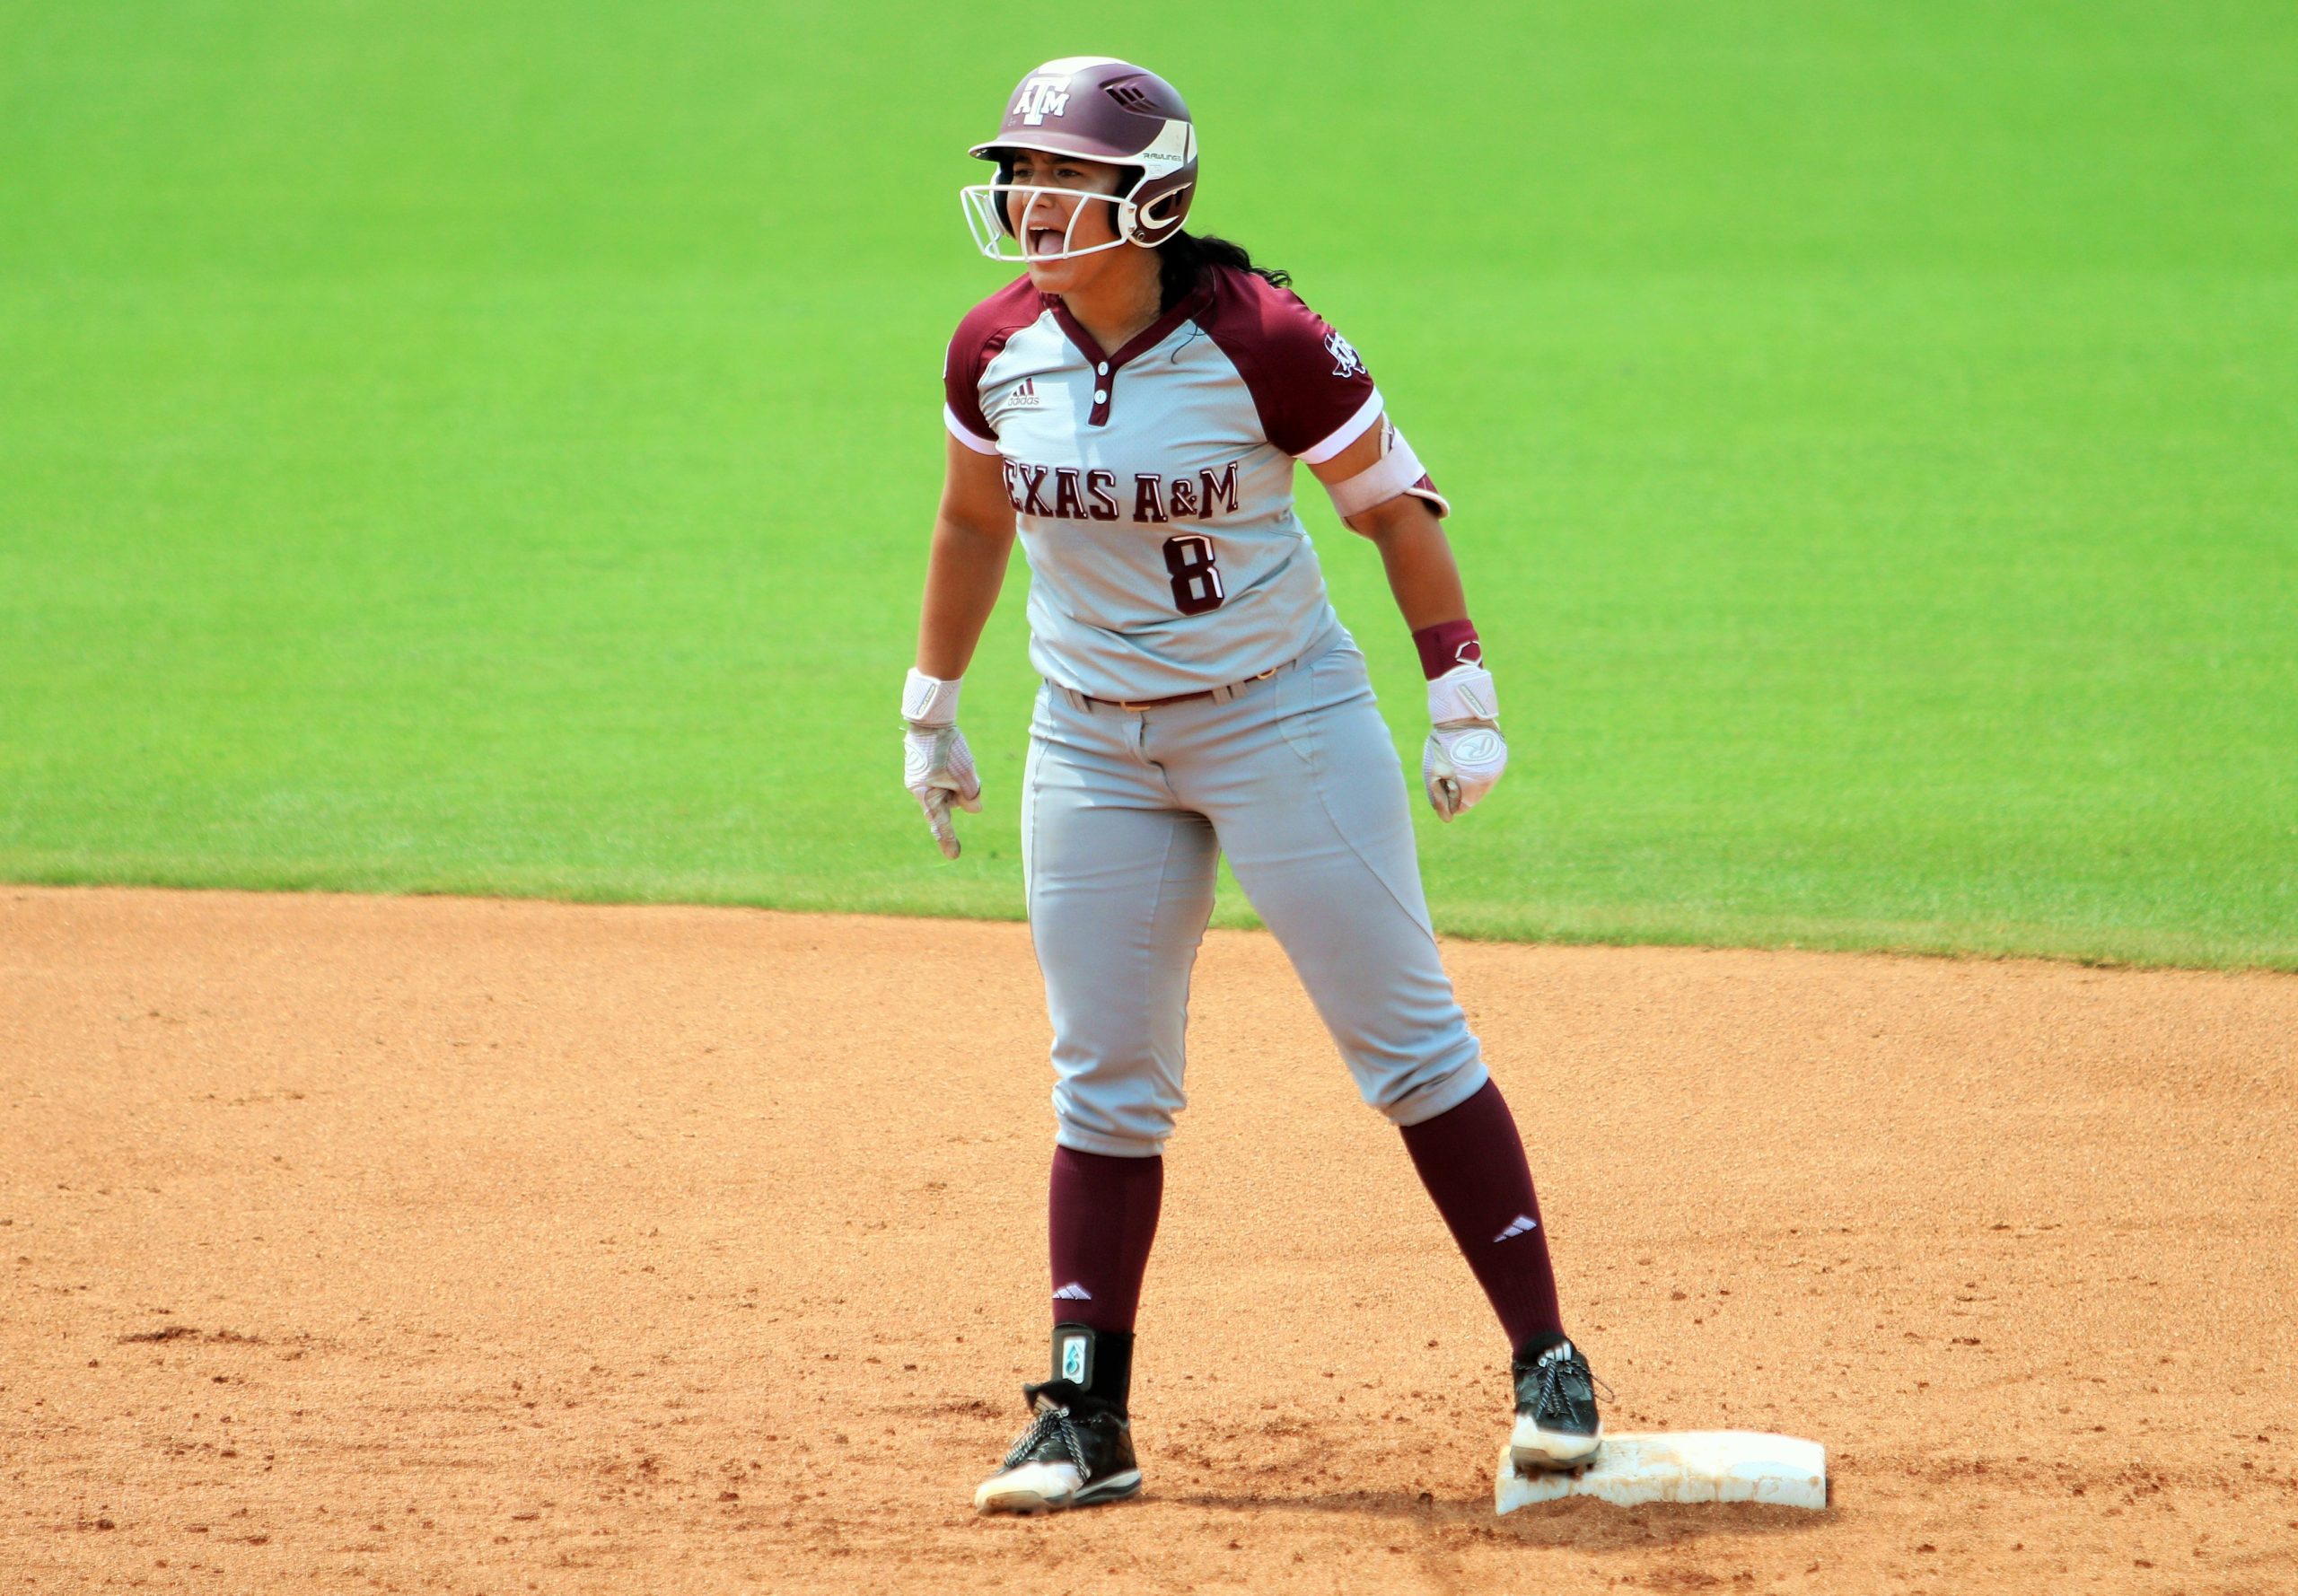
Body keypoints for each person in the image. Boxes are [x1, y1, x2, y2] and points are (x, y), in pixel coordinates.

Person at [904, 56, 1603, 1515]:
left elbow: (1395, 516)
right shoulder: (992, 349)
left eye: (1062, 177)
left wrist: (1460, 693)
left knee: (1408, 1042)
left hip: (1279, 719)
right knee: (1104, 1075)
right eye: (1020, 173)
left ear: (1148, 198)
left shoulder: (1264, 339)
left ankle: (1547, 1359)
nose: (1029, 200)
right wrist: (934, 699)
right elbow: (972, 525)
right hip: (1091, 741)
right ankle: (1087, 1414)